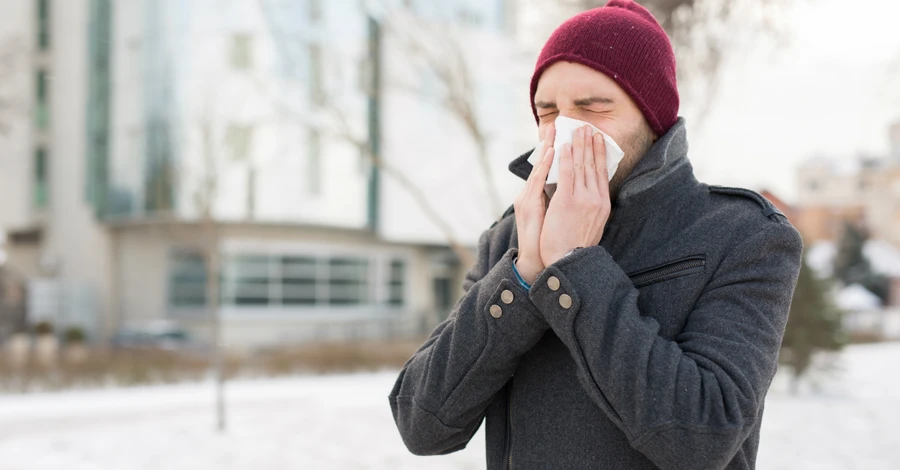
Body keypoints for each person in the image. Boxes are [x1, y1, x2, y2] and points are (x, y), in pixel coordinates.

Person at [389, 1, 803, 468]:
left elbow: (701, 438)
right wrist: (525, 275)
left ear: (651, 118)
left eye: (592, 107)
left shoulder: (741, 235)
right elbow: (421, 425)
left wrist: (574, 265)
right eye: (548, 112)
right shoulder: (509, 238)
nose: (566, 128)